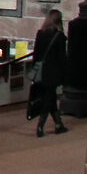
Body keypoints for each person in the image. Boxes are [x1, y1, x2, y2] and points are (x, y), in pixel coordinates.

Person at [28, 8, 70, 136]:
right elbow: (62, 58)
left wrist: (35, 70)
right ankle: (40, 126)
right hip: (53, 72)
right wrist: (65, 76)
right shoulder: (59, 36)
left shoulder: (40, 33)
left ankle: (59, 124)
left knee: (50, 97)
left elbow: (36, 54)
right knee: (49, 99)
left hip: (41, 71)